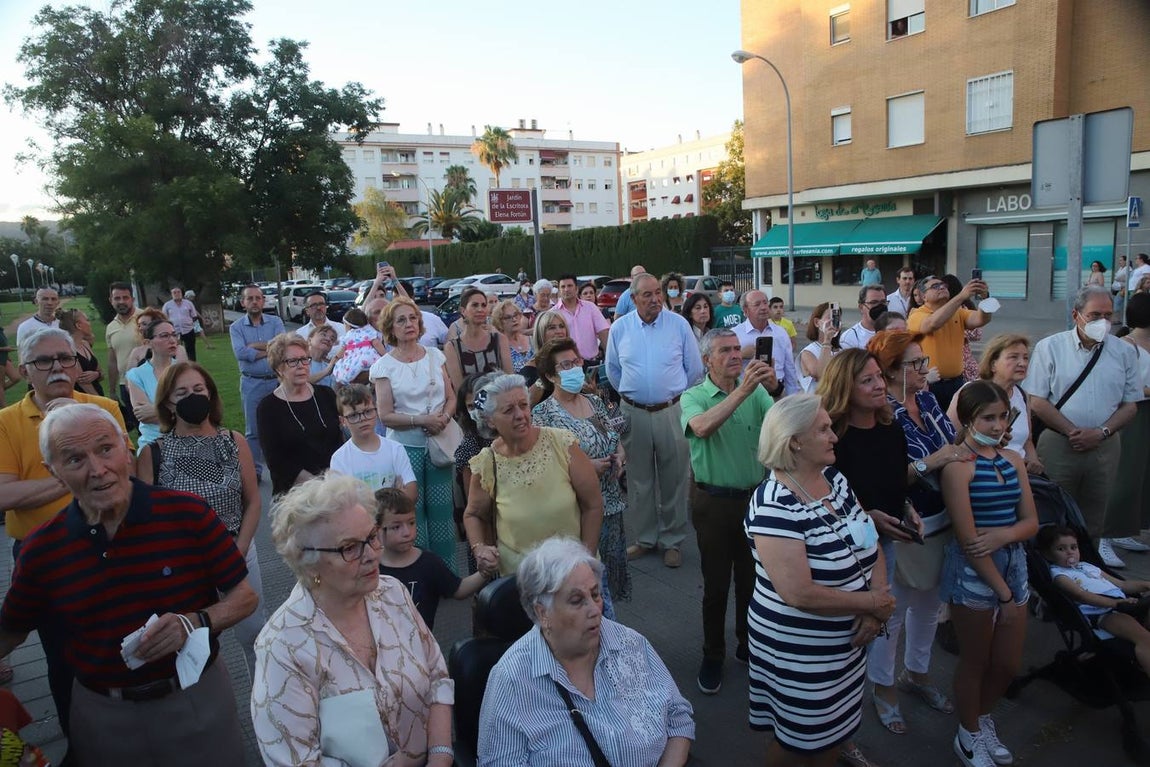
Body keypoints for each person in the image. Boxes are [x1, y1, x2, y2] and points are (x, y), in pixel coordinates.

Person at [0, 404, 256, 765]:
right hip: (103, 715)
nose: (97, 469)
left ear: (127, 447)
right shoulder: (42, 549)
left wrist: (194, 622)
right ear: (53, 472)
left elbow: (244, 597)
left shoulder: (188, 513)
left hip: (196, 701)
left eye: (106, 449)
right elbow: (10, 632)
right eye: (74, 459)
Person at [251, 473, 455, 767]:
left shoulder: (393, 593)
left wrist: (440, 757)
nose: (372, 555)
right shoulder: (282, 646)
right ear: (308, 563)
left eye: (372, 536)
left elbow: (437, 677)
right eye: (350, 547)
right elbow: (298, 761)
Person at [745, 394, 894, 766]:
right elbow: (798, 594)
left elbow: (868, 539)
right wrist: (873, 605)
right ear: (794, 440)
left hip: (845, 645)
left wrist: (877, 602)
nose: (834, 437)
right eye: (824, 429)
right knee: (799, 744)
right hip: (800, 653)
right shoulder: (773, 505)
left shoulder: (834, 479)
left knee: (831, 736)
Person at [0, 328, 131, 731]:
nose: (58, 367)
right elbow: (4, 494)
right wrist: (69, 476)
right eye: (44, 361)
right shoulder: (6, 422)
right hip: (47, 557)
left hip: (115, 544)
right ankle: (81, 741)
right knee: (62, 656)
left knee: (125, 642)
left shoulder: (104, 407)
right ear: (24, 370)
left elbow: (125, 470)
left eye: (66, 358)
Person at [819, 350, 950, 744]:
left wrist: (906, 508)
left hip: (883, 549)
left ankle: (884, 686)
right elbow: (820, 498)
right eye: (868, 380)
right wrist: (867, 517)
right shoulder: (831, 437)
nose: (879, 385)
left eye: (879, 376)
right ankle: (836, 724)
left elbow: (896, 483)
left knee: (882, 620)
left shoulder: (891, 428)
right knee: (841, 636)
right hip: (841, 555)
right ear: (846, 387)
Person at [477, 537, 694, 767]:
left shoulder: (628, 643)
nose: (594, 610)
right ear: (543, 614)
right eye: (577, 600)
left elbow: (677, 718)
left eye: (595, 594)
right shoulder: (511, 681)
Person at [137, 361, 266, 676]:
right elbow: (145, 522)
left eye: (198, 389)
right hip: (184, 565)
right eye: (181, 392)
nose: (192, 397)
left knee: (256, 637)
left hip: (238, 552)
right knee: (193, 644)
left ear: (210, 393)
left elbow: (252, 500)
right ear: (167, 402)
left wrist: (240, 549)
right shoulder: (152, 454)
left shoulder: (233, 441)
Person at [940, 381, 1038, 767]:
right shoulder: (957, 468)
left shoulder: (1012, 460)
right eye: (988, 417)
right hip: (974, 575)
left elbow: (1031, 522)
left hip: (1014, 567)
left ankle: (981, 720)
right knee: (976, 661)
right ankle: (968, 734)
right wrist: (1005, 595)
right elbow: (969, 543)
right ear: (967, 420)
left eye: (1003, 416)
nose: (998, 425)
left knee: (1007, 664)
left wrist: (1004, 534)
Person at [682, 328, 773, 695]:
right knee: (716, 585)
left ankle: (747, 645)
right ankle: (712, 654)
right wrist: (743, 391)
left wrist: (776, 387)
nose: (736, 355)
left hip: (754, 499)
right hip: (713, 502)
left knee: (752, 583)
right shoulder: (694, 396)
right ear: (707, 360)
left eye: (738, 348)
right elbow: (701, 427)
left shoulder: (757, 390)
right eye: (725, 350)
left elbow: (782, 421)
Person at [1024, 286, 1140, 568]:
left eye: (1108, 315)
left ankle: (1089, 575)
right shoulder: (1050, 347)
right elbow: (1037, 401)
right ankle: (1050, 583)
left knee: (1093, 519)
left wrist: (1100, 433)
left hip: (1104, 446)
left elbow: (1130, 404)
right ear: (1076, 315)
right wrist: (1072, 432)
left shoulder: (1124, 352)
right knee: (1053, 516)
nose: (1102, 321)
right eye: (1095, 314)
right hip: (1059, 444)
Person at [606, 273, 705, 568]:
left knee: (675, 477)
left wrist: (671, 397)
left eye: (657, 293)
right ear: (633, 299)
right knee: (639, 479)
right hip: (633, 412)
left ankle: (672, 540)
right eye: (647, 295)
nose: (655, 299)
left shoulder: (679, 325)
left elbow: (695, 370)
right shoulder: (620, 328)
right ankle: (646, 538)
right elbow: (612, 369)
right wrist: (636, 393)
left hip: (671, 411)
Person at [463, 373, 603, 579]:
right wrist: (479, 548)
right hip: (522, 581)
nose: (520, 415)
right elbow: (473, 514)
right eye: (509, 410)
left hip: (575, 572)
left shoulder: (561, 443)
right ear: (490, 421)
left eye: (523, 405)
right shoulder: (487, 463)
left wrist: (586, 559)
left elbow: (593, 505)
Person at [532, 339, 631, 608]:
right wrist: (587, 469)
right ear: (551, 375)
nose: (576, 368)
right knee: (585, 579)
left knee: (608, 577)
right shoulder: (542, 415)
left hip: (611, 503)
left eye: (576, 362)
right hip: (578, 511)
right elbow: (546, 466)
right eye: (566, 365)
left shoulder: (594, 402)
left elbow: (613, 435)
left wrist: (620, 455)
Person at [370, 297, 459, 571]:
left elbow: (451, 397)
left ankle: (446, 573)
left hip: (439, 444)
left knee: (443, 512)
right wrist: (422, 420)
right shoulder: (384, 366)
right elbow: (385, 415)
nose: (409, 324)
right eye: (402, 320)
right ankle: (418, 574)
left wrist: (442, 419)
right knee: (412, 515)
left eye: (413, 318)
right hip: (405, 450)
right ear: (390, 328)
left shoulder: (435, 355)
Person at [1038, 525, 1150, 674]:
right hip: (1104, 613)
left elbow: (1123, 585)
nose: (1070, 552)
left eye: (1073, 547)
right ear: (1047, 555)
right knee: (1145, 639)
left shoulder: (1087, 566)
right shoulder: (1059, 575)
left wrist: (1146, 585)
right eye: (1061, 549)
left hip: (1126, 605)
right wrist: (1115, 604)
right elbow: (1081, 596)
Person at [376, 488, 489, 631]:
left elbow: (458, 589)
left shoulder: (428, 563)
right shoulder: (370, 566)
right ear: (377, 530)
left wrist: (484, 573)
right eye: (396, 527)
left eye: (411, 523)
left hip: (422, 649)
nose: (407, 532)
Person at [257, 333, 344, 496]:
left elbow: (340, 440)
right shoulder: (268, 408)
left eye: (305, 359)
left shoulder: (326, 395)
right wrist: (319, 486)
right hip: (296, 495)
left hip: (336, 488)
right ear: (278, 368)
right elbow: (276, 460)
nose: (301, 365)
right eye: (293, 361)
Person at [947, 334, 1043, 474]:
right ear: (993, 364)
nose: (1022, 363)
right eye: (1013, 357)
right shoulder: (971, 392)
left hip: (1021, 473)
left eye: (1025, 357)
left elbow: (1027, 440)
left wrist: (1033, 460)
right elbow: (950, 436)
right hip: (983, 473)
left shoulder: (1022, 395)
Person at [1103, 292, 1150, 555]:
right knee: (1124, 477)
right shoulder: (1126, 345)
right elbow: (1121, 387)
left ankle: (1124, 530)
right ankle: (1103, 537)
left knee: (1142, 478)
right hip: (1133, 414)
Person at [907, 274, 993, 410]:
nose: (941, 287)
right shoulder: (917, 314)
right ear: (924, 297)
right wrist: (961, 297)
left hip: (956, 382)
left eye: (943, 285)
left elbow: (981, 319)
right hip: (930, 383)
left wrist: (986, 298)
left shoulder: (958, 312)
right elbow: (932, 324)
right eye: (935, 286)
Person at [230, 284, 286, 479]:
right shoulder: (236, 327)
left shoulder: (275, 321)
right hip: (251, 384)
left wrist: (254, 347)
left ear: (263, 300)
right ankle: (255, 472)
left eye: (258, 298)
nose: (254, 301)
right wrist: (269, 349)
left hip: (277, 382)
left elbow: (282, 347)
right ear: (243, 303)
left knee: (281, 427)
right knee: (253, 430)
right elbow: (241, 353)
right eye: (250, 298)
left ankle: (283, 466)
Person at [329, 383, 417, 502]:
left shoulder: (395, 449)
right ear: (343, 421)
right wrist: (395, 496)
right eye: (354, 415)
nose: (363, 419)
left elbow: (411, 493)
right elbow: (342, 504)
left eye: (368, 411)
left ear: (376, 410)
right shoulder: (340, 459)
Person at [125, 319, 181, 451]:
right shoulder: (136, 375)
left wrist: (157, 410)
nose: (172, 340)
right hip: (153, 445)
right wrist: (180, 411)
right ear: (148, 343)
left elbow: (198, 412)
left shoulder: (184, 371)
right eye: (165, 336)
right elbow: (144, 416)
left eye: (174, 334)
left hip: (185, 441)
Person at [445, 288, 512, 393]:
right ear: (463, 311)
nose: (480, 309)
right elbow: (459, 389)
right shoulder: (452, 347)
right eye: (475, 305)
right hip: (470, 405)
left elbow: (509, 379)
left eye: (484, 305)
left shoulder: (500, 340)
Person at [733, 290, 798, 397]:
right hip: (748, 394)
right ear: (746, 310)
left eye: (765, 303)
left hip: (776, 390)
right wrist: (741, 354)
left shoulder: (780, 333)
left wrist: (793, 396)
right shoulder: (735, 334)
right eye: (757, 304)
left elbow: (789, 368)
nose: (763, 307)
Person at [105, 281, 140, 425]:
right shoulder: (111, 327)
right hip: (124, 385)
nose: (121, 302)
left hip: (149, 381)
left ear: (132, 299)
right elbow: (112, 361)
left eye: (125, 297)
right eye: (117, 298)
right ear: (111, 301)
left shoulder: (146, 318)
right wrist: (112, 391)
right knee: (139, 428)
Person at [555, 273, 610, 364]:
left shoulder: (590, 308)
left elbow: (603, 333)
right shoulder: (554, 313)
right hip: (567, 365)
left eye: (569, 286)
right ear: (559, 291)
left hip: (591, 363)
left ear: (576, 288)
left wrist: (610, 357)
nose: (566, 289)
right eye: (563, 287)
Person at [332, 307, 386, 386]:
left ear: (349, 325)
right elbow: (376, 343)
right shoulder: (369, 331)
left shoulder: (349, 335)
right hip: (370, 357)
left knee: (343, 372)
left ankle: (347, 380)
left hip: (353, 361)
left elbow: (341, 350)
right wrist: (385, 356)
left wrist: (335, 360)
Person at [56, 307, 103, 396]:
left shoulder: (85, 344)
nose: (90, 324)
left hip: (97, 395)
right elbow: (83, 383)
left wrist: (97, 374)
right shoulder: (68, 350)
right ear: (79, 325)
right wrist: (101, 404)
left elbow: (101, 372)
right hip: (83, 399)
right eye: (87, 320)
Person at [519, 309, 568, 391]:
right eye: (552, 328)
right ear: (540, 333)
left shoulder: (573, 362)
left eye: (562, 326)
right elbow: (527, 402)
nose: (559, 331)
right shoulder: (530, 370)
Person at [799, 302, 841, 393]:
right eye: (829, 318)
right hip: (816, 403)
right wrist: (827, 341)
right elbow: (820, 374)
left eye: (836, 318)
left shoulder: (842, 350)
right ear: (817, 322)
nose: (833, 322)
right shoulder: (808, 352)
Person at [839, 285, 888, 351]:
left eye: (883, 302)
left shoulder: (893, 331)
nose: (880, 306)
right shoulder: (850, 338)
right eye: (873, 302)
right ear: (861, 307)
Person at [491, 299, 532, 372]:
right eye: (508, 317)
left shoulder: (532, 340)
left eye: (516, 315)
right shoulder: (498, 345)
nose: (514, 319)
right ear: (499, 322)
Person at [162, 287, 201, 361]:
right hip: (174, 332)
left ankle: (192, 366)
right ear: (171, 294)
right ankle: (176, 366)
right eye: (174, 292)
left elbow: (194, 315)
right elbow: (164, 318)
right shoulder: (167, 305)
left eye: (178, 292)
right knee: (174, 349)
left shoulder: (188, 303)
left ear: (181, 293)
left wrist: (188, 322)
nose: (177, 294)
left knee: (191, 349)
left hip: (188, 330)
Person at [1114, 254, 1131, 323]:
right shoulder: (1120, 268)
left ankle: (1119, 320)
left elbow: (1127, 279)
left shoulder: (1128, 269)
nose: (1119, 262)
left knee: (1117, 303)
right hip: (1119, 289)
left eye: (1121, 260)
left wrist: (1118, 279)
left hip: (1124, 289)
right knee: (1120, 304)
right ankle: (1120, 319)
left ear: (1125, 261)